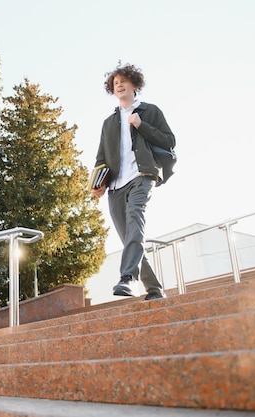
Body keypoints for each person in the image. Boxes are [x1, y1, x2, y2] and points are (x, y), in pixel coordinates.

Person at [91, 63, 175, 301]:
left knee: (135, 220)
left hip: (142, 176)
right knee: (129, 238)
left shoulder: (150, 111)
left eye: (123, 81)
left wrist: (141, 125)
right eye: (115, 83)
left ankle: (128, 278)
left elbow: (169, 141)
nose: (119, 84)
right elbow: (101, 157)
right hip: (116, 187)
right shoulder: (109, 122)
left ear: (135, 85)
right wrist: (98, 184)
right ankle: (155, 289)